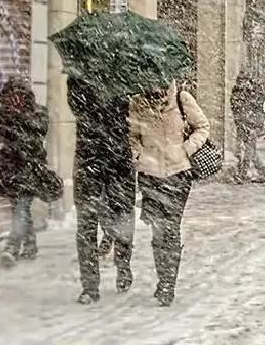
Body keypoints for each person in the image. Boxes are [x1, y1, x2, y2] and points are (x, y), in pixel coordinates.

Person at [128, 80, 210, 307]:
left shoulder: (182, 98)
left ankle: (167, 284)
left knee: (170, 229)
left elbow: (202, 127)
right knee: (157, 230)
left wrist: (186, 148)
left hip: (178, 175)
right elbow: (133, 135)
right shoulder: (137, 103)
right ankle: (163, 276)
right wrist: (138, 154)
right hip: (150, 175)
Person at [68, 75, 136, 305]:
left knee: (123, 217)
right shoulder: (78, 76)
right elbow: (76, 106)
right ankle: (89, 286)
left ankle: (123, 265)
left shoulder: (127, 74)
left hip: (119, 162)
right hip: (89, 162)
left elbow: (135, 114)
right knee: (86, 224)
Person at [0, 77, 51, 266]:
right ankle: (30, 245)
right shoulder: (4, 113)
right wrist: (6, 125)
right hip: (10, 171)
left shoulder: (38, 112)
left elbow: (38, 133)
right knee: (19, 209)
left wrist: (19, 121)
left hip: (30, 170)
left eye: (19, 95)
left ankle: (12, 246)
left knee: (21, 208)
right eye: (11, 96)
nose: (15, 100)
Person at [230, 72, 265, 183]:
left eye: (245, 81)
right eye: (240, 81)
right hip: (243, 125)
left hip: (252, 126)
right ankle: (262, 172)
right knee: (250, 151)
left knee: (249, 150)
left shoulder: (255, 92)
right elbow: (237, 110)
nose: (243, 84)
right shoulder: (239, 92)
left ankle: (243, 174)